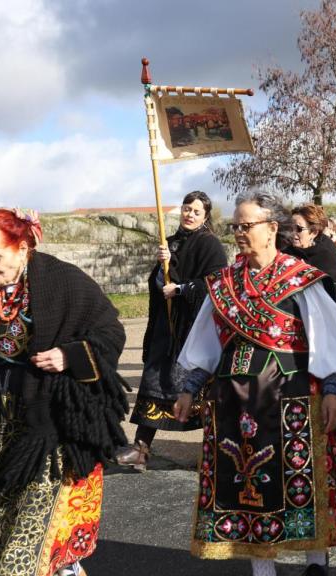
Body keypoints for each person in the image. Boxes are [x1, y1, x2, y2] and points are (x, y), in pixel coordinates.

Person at [172, 192, 336, 576]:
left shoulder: (301, 278)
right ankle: (262, 568)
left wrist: (330, 391)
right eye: (236, 226)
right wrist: (190, 387)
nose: (240, 233)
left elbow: (327, 340)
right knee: (247, 485)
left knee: (303, 479)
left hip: (293, 397)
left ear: (272, 228)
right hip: (234, 402)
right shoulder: (222, 284)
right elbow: (206, 347)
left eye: (247, 226)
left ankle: (315, 563)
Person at [0, 208, 128, 576]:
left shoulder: (63, 281)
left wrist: (69, 356)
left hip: (44, 434)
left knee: (21, 559)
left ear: (22, 248)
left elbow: (111, 334)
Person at [117, 191, 227, 470]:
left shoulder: (210, 244)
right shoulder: (171, 242)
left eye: (196, 211)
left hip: (194, 330)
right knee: (153, 383)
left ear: (205, 217)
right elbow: (158, 286)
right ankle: (141, 450)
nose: (189, 214)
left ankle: (213, 453)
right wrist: (162, 265)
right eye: (186, 208)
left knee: (199, 392)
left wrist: (181, 288)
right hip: (166, 329)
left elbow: (215, 284)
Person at [288, 203, 336, 316]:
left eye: (299, 229)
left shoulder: (325, 255)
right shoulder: (285, 252)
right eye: (290, 228)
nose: (292, 233)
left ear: (314, 233)